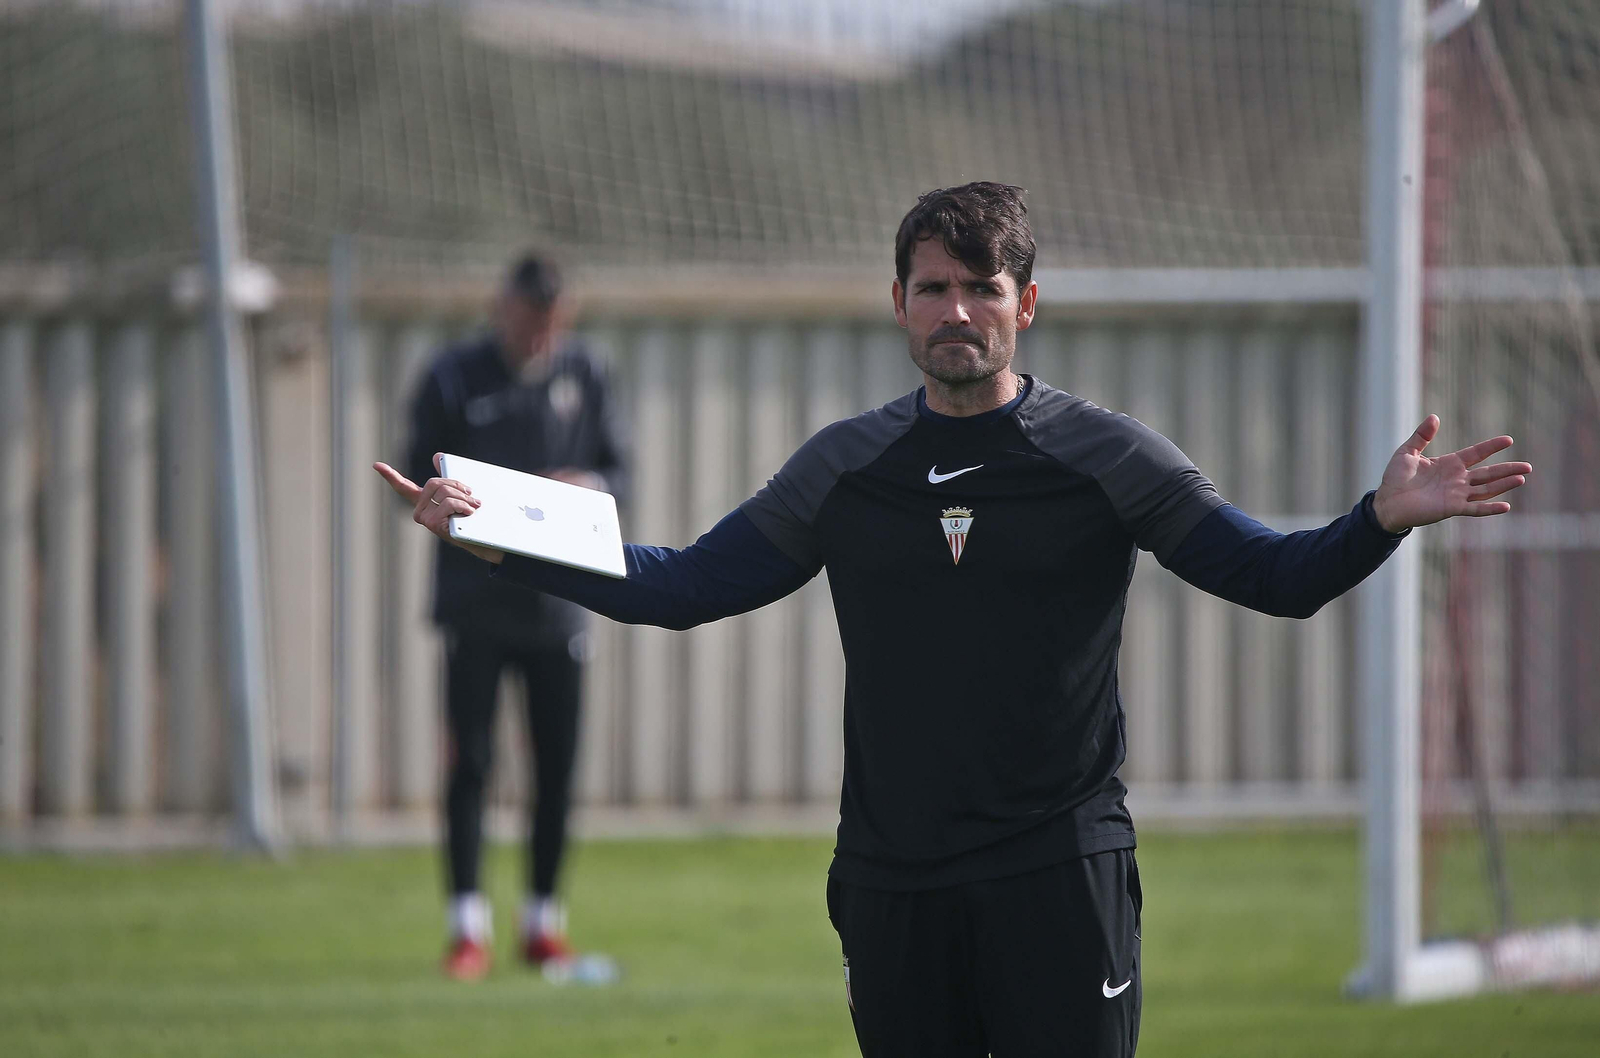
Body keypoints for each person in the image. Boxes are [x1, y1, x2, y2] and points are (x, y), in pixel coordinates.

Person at [378, 184, 1531, 1053]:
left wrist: (1376, 518)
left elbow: (1273, 576)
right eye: (932, 286)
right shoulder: (846, 467)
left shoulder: (1104, 454)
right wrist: (495, 531)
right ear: (897, 304)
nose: (956, 310)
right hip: (893, 882)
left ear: (1024, 304)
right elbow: (684, 585)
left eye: (982, 287)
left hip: (1058, 872)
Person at [400, 253, 627, 982]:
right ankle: (467, 929)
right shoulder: (451, 376)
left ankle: (542, 925)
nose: (542, 335)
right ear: (504, 308)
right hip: (474, 606)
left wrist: (588, 482)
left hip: (559, 608)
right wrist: (453, 498)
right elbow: (414, 474)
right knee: (470, 765)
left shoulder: (586, 374)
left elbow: (619, 471)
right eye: (532, 319)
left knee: (556, 768)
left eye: (555, 322)